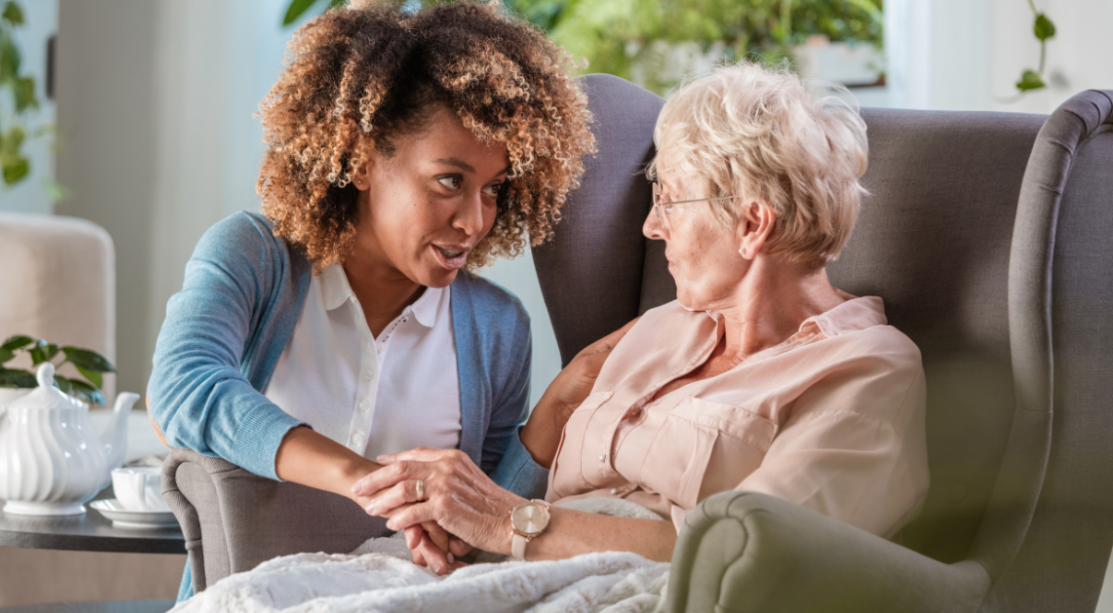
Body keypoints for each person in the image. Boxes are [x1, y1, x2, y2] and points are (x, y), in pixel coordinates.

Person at [354, 61, 930, 567]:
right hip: (519, 569)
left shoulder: (867, 371)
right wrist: (463, 527)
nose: (653, 227)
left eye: (669, 200)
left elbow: (750, 554)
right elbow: (527, 509)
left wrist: (506, 523)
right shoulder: (662, 326)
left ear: (752, 225)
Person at [145, 0, 595, 598]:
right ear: (361, 158)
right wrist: (372, 480)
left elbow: (479, 537)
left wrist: (558, 407)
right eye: (450, 181)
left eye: (494, 189)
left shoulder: (497, 327)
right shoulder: (254, 258)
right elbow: (183, 388)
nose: (475, 220)